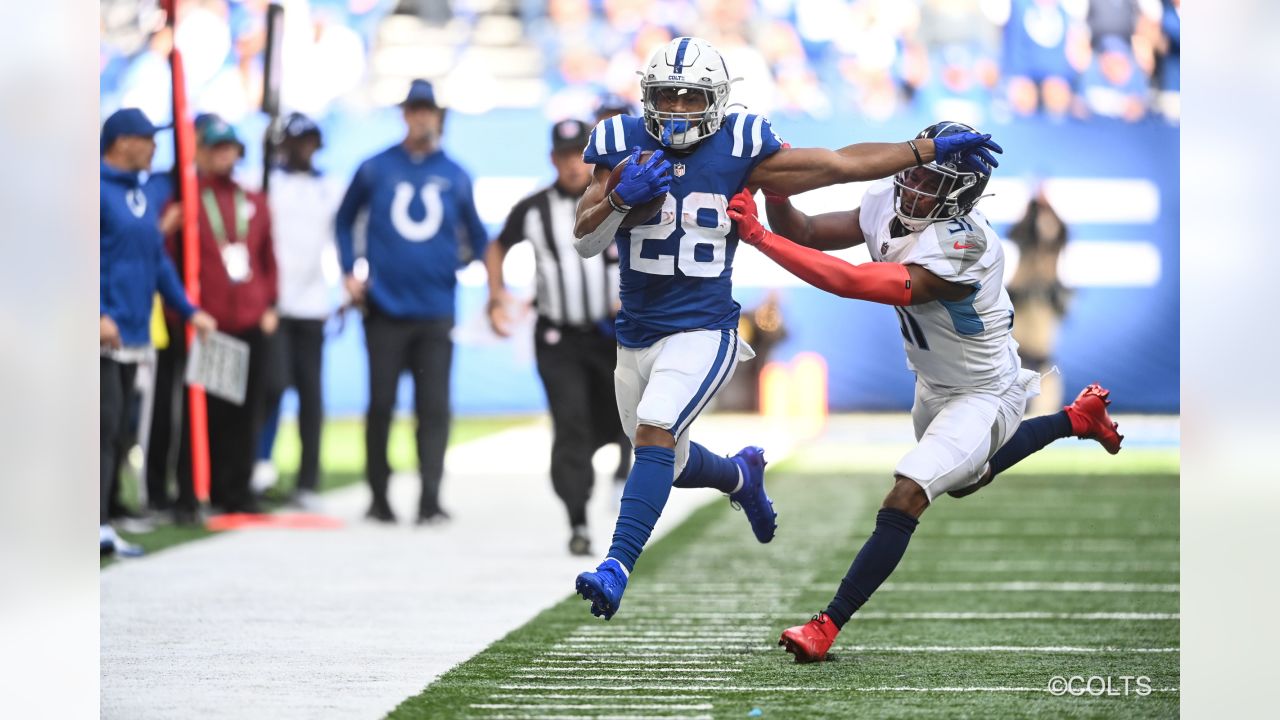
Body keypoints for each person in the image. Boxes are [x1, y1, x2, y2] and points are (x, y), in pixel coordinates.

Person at [570, 36, 1003, 620]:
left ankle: (616, 566)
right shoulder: (619, 141)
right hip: (637, 330)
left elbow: (839, 164)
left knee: (654, 432)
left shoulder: (742, 144)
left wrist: (921, 149)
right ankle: (740, 476)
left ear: (716, 100)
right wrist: (619, 199)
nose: (674, 109)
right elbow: (585, 239)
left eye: (688, 97)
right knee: (665, 461)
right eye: (665, 96)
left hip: (703, 327)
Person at [723, 120, 1123, 663]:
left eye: (929, 181)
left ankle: (825, 625)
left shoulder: (965, 244)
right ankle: (1076, 419)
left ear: (958, 195)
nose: (911, 185)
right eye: (913, 171)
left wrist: (758, 238)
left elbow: (855, 283)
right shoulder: (891, 196)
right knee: (965, 480)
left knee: (908, 492)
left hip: (986, 390)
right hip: (933, 383)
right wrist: (777, 192)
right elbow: (810, 232)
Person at [335, 79, 488, 525]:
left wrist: (495, 287)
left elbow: (477, 236)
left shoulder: (456, 174)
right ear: (405, 115)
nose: (422, 118)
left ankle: (430, 499)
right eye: (415, 110)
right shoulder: (375, 168)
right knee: (381, 405)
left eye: (428, 110)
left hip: (436, 310)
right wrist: (350, 270)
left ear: (438, 117)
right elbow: (345, 222)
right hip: (384, 308)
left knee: (434, 408)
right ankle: (378, 497)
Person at [486, 119, 626, 557]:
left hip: (608, 335)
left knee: (625, 419)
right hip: (558, 338)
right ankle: (578, 520)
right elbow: (498, 246)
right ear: (553, 159)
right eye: (564, 155)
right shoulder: (534, 209)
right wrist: (496, 295)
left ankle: (621, 474)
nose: (571, 164)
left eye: (578, 155)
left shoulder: (617, 199)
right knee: (571, 425)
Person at [100, 108, 216, 554]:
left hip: (132, 332)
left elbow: (157, 260)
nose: (155, 147)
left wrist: (189, 310)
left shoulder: (143, 195)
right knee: (102, 427)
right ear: (122, 142)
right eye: (147, 139)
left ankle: (104, 521)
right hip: (101, 334)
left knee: (117, 432)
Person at [171, 115, 279, 516]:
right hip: (208, 322)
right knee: (205, 412)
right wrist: (183, 312)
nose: (222, 155)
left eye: (228, 147)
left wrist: (269, 305)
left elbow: (269, 258)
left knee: (246, 410)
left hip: (250, 319)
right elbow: (171, 257)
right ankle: (195, 491)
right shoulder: (188, 198)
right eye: (214, 147)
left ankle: (237, 491)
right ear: (200, 151)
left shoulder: (253, 200)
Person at [256, 112, 342, 510]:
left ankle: (308, 480)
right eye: (296, 141)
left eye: (309, 141)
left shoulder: (328, 188)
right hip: (275, 305)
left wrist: (343, 290)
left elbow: (338, 243)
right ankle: (259, 465)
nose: (303, 148)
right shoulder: (267, 185)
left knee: (312, 396)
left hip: (311, 306)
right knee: (271, 387)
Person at [1006, 182, 1070, 415]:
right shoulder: (1025, 231)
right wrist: (1032, 207)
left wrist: (1046, 206)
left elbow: (1058, 233)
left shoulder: (1056, 233)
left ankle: (1043, 408)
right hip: (1022, 301)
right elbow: (1018, 232)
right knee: (1016, 353)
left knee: (1041, 356)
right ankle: (1015, 404)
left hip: (1042, 302)